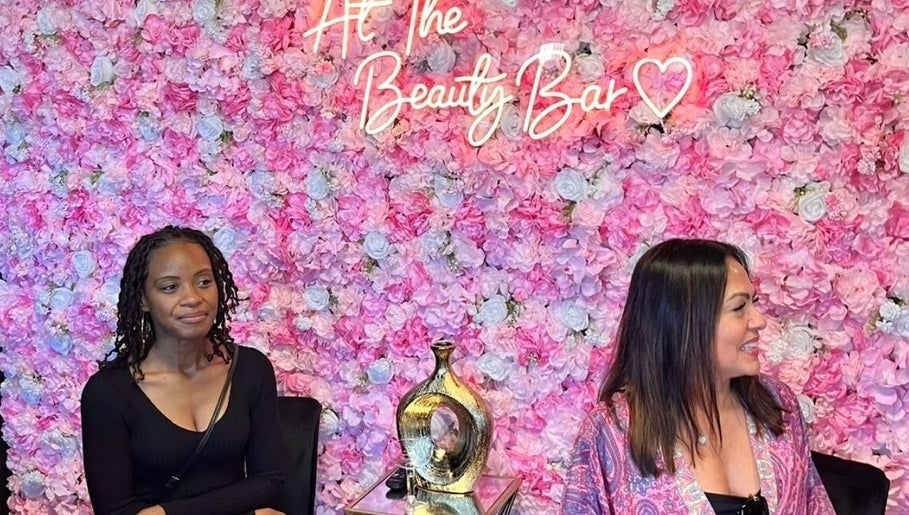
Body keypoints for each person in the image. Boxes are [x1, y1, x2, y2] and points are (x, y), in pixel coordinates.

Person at [561, 239, 834, 514]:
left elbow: (815, 504)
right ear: (684, 322)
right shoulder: (613, 432)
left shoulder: (776, 404)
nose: (759, 320)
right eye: (738, 308)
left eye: (753, 302)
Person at [81, 226, 284, 515]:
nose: (192, 297)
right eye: (169, 287)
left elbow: (269, 481)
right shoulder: (108, 392)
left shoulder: (251, 369)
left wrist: (164, 513)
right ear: (142, 299)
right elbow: (117, 511)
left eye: (204, 282)